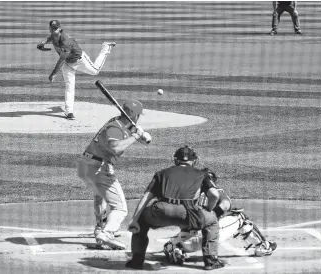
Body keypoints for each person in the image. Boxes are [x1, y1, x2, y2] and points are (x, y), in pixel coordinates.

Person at [126, 145, 225, 270]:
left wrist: (135, 219)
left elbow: (147, 197)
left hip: (161, 211)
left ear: (175, 160)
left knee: (141, 221)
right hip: (189, 214)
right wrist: (208, 211)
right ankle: (211, 261)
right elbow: (214, 195)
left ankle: (136, 261)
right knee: (212, 221)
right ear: (194, 161)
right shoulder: (202, 174)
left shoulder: (162, 173)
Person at [77, 99, 151, 250]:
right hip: (99, 168)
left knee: (99, 196)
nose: (139, 118)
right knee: (120, 208)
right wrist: (136, 136)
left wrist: (142, 135)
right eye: (138, 115)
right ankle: (107, 233)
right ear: (134, 115)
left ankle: (99, 227)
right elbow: (115, 147)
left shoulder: (118, 122)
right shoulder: (115, 128)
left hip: (85, 166)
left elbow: (131, 130)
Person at [163, 170, 277, 266]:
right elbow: (226, 205)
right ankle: (263, 247)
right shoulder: (216, 192)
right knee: (241, 218)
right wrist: (212, 215)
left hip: (187, 242)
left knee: (169, 243)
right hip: (208, 238)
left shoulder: (184, 194)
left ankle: (176, 248)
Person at [37, 20, 116, 120]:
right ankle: (69, 112)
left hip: (80, 61)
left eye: (55, 28)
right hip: (67, 64)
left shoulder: (65, 41)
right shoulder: (54, 35)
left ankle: (106, 47)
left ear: (59, 29)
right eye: (51, 28)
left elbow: (61, 60)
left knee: (95, 71)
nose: (53, 30)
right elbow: (51, 38)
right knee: (69, 86)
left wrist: (53, 74)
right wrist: (43, 42)